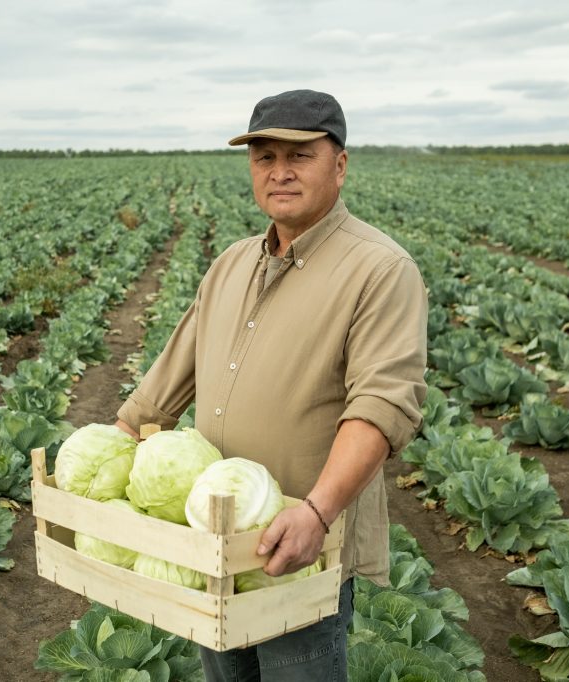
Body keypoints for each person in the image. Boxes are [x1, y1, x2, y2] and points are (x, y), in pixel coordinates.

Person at [114, 89, 427, 681]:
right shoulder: (231, 264)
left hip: (300, 547)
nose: (279, 172)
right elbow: (170, 377)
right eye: (264, 157)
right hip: (213, 536)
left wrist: (317, 510)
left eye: (300, 156)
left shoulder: (381, 270)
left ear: (339, 164)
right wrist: (116, 442)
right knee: (225, 676)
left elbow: (382, 405)